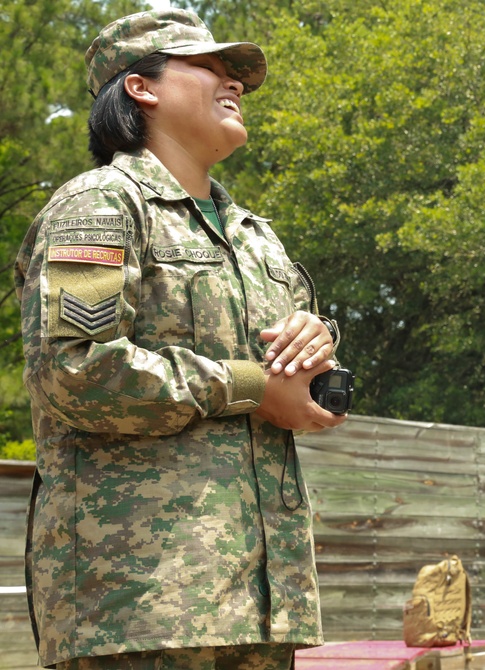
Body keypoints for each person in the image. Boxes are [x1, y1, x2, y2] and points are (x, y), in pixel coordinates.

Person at [15, 9, 347, 669]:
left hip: (263, 606)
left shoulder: (258, 240)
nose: (235, 85)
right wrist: (251, 386)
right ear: (141, 87)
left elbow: (304, 393)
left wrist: (318, 358)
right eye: (210, 68)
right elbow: (79, 373)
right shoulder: (99, 207)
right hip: (138, 609)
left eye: (238, 76)